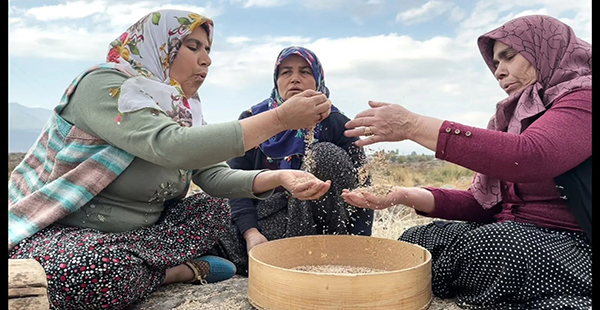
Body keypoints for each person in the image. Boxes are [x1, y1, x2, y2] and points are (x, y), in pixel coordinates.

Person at [8, 10, 334, 310]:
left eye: (208, 51)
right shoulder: (104, 85)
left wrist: (278, 179)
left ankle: (141, 262)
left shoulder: (181, 105)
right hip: (64, 229)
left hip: (142, 234)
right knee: (93, 272)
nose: (206, 61)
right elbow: (171, 146)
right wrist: (279, 119)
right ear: (158, 45)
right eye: (193, 47)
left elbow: (211, 174)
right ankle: (177, 272)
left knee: (216, 211)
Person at [341, 15, 591, 309]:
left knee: (493, 248)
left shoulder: (583, 99)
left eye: (509, 57)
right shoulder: (513, 119)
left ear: (545, 50)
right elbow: (482, 203)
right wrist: (403, 196)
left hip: (573, 244)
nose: (499, 72)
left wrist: (411, 126)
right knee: (416, 241)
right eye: (496, 64)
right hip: (511, 232)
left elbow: (529, 156)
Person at [208, 46, 374, 276]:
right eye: (286, 72)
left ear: (317, 79)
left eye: (305, 72)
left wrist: (360, 250)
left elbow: (363, 185)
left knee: (326, 154)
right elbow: (235, 183)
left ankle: (319, 256)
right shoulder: (253, 120)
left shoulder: (337, 124)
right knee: (204, 211)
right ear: (276, 80)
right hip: (270, 223)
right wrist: (251, 233)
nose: (295, 79)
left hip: (322, 229)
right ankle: (265, 255)